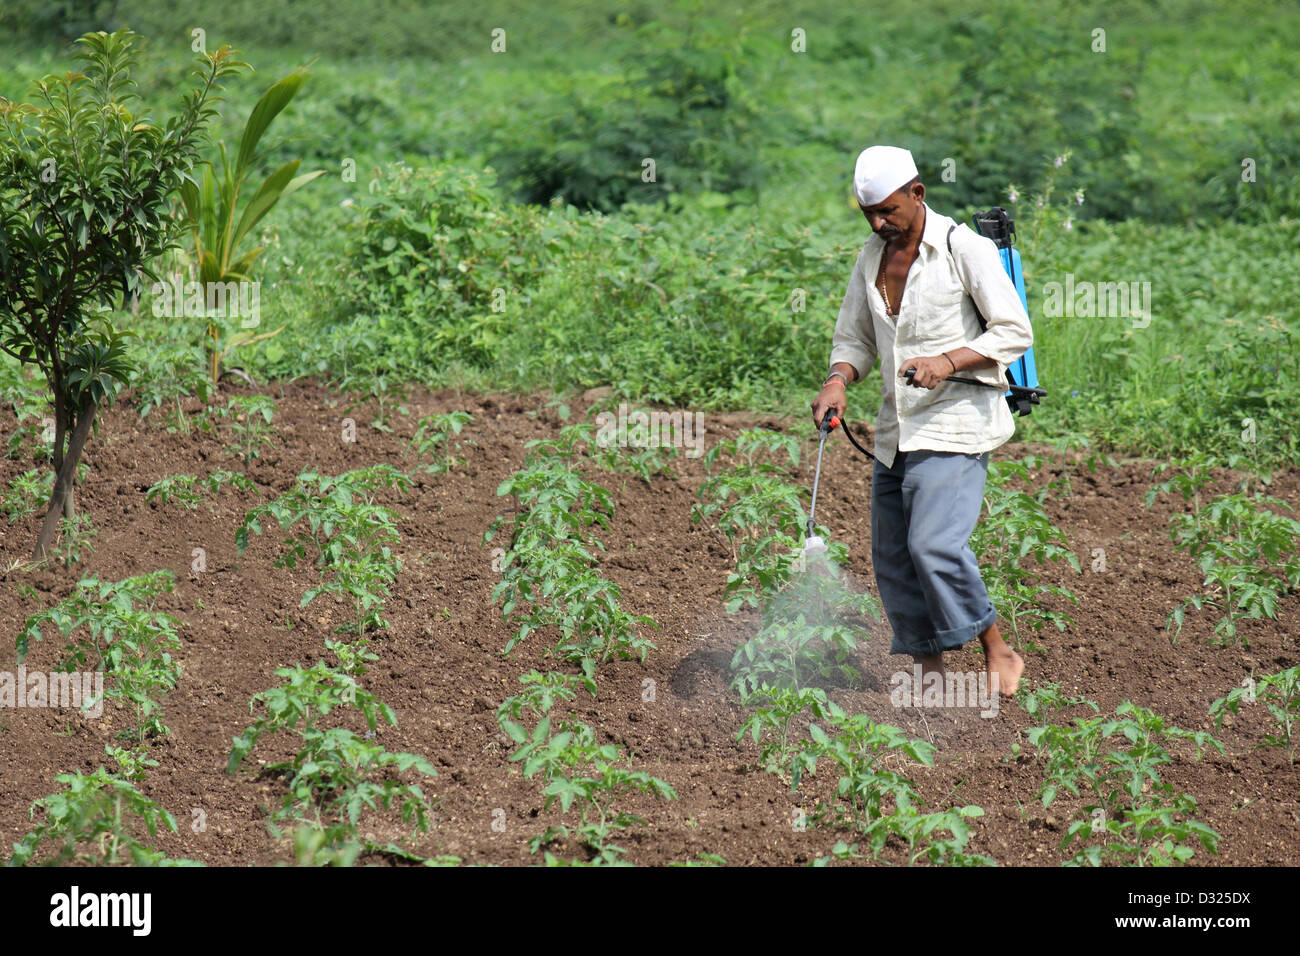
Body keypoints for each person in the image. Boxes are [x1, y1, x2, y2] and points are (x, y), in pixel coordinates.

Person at [810, 145, 1033, 698]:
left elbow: (1013, 331)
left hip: (955, 420)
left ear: (917, 193)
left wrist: (946, 361)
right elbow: (854, 338)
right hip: (897, 428)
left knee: (933, 545)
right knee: (892, 553)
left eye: (889, 210)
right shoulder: (871, 256)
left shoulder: (964, 250)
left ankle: (998, 649)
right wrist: (838, 378)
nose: (881, 223)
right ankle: (927, 665)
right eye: (870, 214)